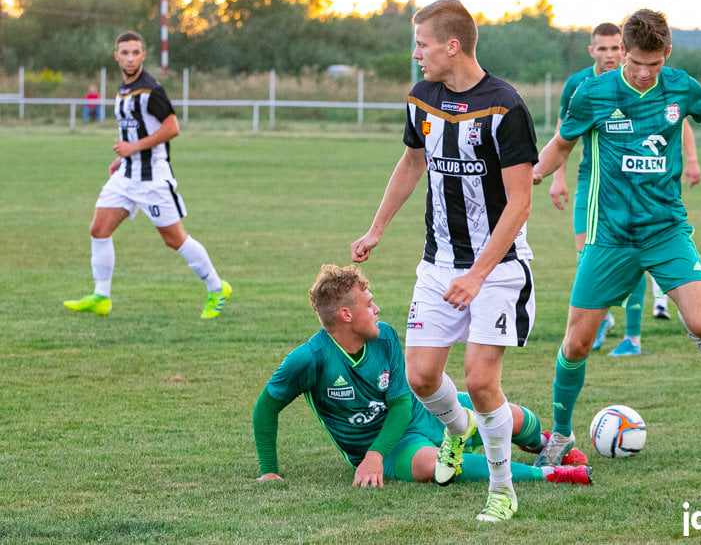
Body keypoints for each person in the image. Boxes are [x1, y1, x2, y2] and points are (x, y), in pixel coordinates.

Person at [531, 9, 701, 467]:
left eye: (653, 64)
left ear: (666, 55)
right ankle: (560, 433)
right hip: (609, 236)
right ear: (622, 53)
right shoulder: (592, 93)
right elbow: (561, 144)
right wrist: (535, 174)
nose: (642, 72)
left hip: (667, 230)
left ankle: (696, 333)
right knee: (576, 343)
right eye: (634, 62)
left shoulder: (679, 85)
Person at [350, 0, 543, 521]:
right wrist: (377, 228)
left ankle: (502, 490)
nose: (416, 54)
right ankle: (458, 433)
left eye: (422, 44)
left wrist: (478, 275)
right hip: (437, 264)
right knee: (422, 378)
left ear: (451, 46)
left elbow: (521, 203)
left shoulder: (506, 107)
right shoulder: (422, 98)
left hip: (498, 269)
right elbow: (413, 161)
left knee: (481, 381)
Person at [253, 265, 591, 490]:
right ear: (346, 315)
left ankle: (545, 444)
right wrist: (269, 469)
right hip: (387, 446)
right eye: (369, 305)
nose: (377, 310)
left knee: (508, 415)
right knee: (429, 466)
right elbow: (266, 406)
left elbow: (401, 403)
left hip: (420, 413)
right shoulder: (309, 359)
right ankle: (547, 474)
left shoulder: (384, 336)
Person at [547, 22, 701, 358]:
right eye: (601, 49)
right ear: (592, 51)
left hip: (639, 186)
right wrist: (558, 177)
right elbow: (564, 135)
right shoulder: (581, 85)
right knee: (588, 258)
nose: (609, 54)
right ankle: (598, 317)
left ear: (623, 49)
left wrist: (691, 158)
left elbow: (678, 119)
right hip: (593, 182)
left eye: (614, 48)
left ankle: (632, 336)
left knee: (633, 254)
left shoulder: (647, 81)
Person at [63, 31, 231, 319]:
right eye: (124, 53)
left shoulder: (151, 90)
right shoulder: (123, 89)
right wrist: (121, 158)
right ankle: (101, 296)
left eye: (135, 52)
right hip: (126, 176)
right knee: (98, 230)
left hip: (153, 179)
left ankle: (217, 288)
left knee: (174, 239)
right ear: (117, 56)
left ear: (143, 56)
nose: (129, 58)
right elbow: (134, 130)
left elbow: (171, 128)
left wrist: (133, 148)